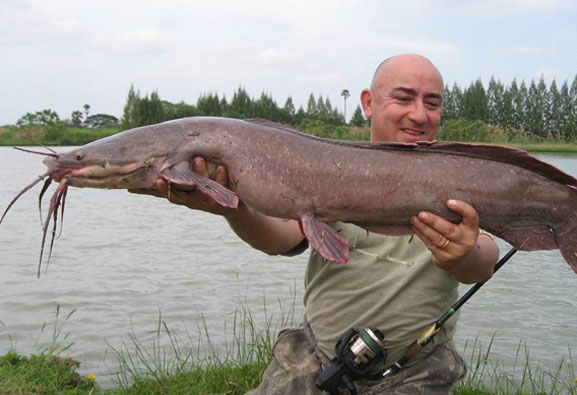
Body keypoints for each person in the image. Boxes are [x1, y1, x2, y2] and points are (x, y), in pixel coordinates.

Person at [131, 54, 499, 394]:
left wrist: (462, 254)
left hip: (415, 368)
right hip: (317, 355)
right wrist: (234, 210)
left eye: (432, 103)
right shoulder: (324, 168)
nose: (419, 115)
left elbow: (484, 260)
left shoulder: (457, 175)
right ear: (368, 102)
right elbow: (281, 239)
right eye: (404, 99)